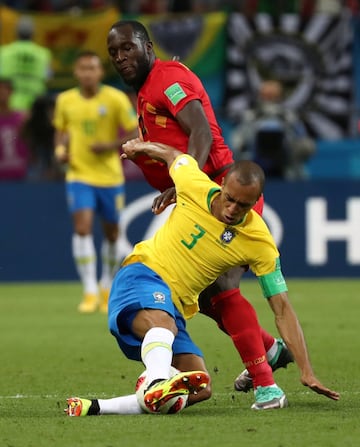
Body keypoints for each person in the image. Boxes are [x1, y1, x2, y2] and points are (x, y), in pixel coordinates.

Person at [65, 139, 339, 417]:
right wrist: (141, 147)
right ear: (222, 187)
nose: (232, 209)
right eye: (229, 198)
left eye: (243, 205)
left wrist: (307, 371)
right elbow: (173, 155)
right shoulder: (193, 183)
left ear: (256, 203)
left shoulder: (260, 242)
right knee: (163, 328)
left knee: (199, 386)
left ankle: (95, 407)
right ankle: (157, 380)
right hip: (142, 274)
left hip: (175, 308)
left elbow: (282, 309)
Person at [106, 20, 293, 396]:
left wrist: (183, 181)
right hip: (203, 195)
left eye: (128, 47)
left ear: (148, 46)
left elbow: (201, 131)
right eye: (114, 52)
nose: (121, 57)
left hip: (223, 194)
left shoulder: (165, 79)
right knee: (206, 297)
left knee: (222, 290)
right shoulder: (148, 90)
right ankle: (269, 350)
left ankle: (266, 385)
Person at [53, 50, 138, 313]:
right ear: (76, 72)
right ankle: (89, 290)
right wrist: (60, 152)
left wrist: (111, 145)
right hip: (79, 174)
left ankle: (106, 283)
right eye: (83, 68)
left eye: (92, 68)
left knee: (112, 233)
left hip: (110, 176)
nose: (88, 73)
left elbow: (135, 129)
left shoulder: (114, 99)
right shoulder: (65, 100)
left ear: (100, 72)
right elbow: (61, 132)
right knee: (82, 227)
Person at [231, 79, 315, 180]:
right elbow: (236, 143)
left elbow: (304, 142)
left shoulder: (289, 118)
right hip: (253, 165)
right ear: (260, 97)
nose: (269, 102)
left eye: (273, 97)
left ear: (280, 98)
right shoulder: (249, 117)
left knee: (301, 173)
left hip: (287, 166)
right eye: (266, 97)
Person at [0, 16, 53, 113]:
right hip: (36, 105)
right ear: (33, 33)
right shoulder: (43, 53)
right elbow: (48, 77)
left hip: (9, 103)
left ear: (16, 33)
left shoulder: (4, 52)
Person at [0, 78, 29, 180]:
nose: (2, 93)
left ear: (11, 92)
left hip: (20, 176)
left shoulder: (23, 118)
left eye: (5, 89)